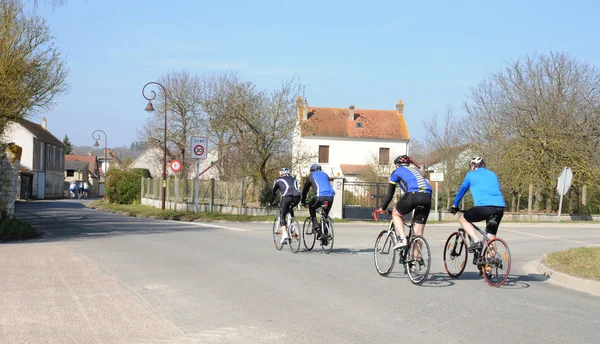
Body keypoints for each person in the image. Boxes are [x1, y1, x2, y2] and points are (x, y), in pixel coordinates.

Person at [449, 156, 506, 252]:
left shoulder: (470, 175)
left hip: (484, 208)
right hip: (500, 208)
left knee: (462, 218)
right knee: (491, 238)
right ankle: (490, 265)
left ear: (472, 166)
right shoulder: (493, 175)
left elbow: (461, 191)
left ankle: (476, 240)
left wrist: (455, 206)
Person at [378, 155, 432, 250]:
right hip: (427, 195)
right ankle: (415, 262)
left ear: (397, 165)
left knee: (396, 214)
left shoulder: (396, 172)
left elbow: (390, 194)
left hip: (413, 194)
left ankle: (403, 239)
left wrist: (382, 208)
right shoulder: (416, 171)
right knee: (418, 234)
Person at [301, 164, 336, 244]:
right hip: (330, 197)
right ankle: (325, 236)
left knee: (311, 207)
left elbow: (306, 189)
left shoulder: (311, 176)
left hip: (319, 196)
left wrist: (303, 200)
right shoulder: (325, 175)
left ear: (312, 170)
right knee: (325, 215)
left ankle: (316, 224)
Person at [269, 168, 302, 245]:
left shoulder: (278, 180)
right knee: (290, 207)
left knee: (282, 215)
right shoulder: (294, 179)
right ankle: (293, 227)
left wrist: (270, 203)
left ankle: (284, 235)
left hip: (287, 196)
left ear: (281, 174)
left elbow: (274, 193)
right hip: (297, 197)